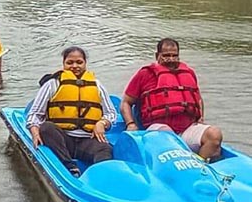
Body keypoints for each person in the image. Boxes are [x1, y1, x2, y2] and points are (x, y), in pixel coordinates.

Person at [120, 38, 223, 161]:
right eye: (166, 56)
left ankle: (199, 163)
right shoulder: (145, 74)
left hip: (186, 129)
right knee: (167, 135)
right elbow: (126, 102)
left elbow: (198, 98)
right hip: (158, 129)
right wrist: (130, 124)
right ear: (157, 56)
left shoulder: (189, 73)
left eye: (174, 56)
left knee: (214, 134)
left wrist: (200, 118)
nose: (171, 59)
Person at [26, 46, 116, 177]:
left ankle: (101, 176)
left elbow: (111, 113)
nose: (74, 66)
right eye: (70, 62)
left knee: (105, 148)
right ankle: (70, 167)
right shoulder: (53, 83)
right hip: (62, 138)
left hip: (87, 139)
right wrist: (34, 131)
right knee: (46, 128)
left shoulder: (97, 85)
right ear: (63, 64)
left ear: (85, 64)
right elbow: (35, 114)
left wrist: (102, 122)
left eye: (79, 62)